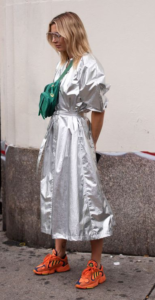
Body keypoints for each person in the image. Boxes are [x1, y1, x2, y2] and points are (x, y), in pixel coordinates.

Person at [34, 11, 115, 289]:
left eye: (58, 34)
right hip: (59, 135)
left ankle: (96, 264)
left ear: (72, 32)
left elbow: (98, 110)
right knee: (58, 190)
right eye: (51, 35)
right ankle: (60, 255)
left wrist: (90, 147)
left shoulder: (88, 64)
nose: (54, 39)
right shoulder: (64, 64)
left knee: (89, 195)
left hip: (76, 138)